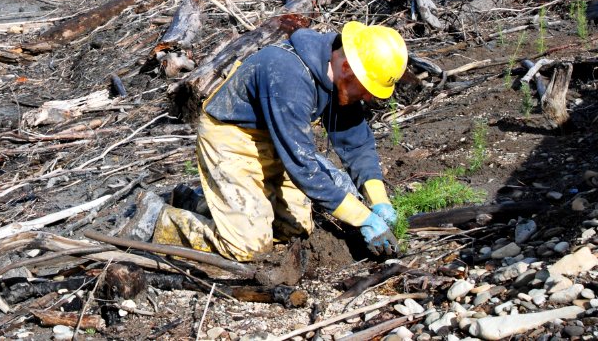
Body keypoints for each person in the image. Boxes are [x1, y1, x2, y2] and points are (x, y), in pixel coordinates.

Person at [126, 21, 407, 261]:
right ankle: (159, 219)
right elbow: (302, 165)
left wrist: (379, 201)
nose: (369, 97)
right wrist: (362, 218)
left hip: (275, 142)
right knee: (249, 246)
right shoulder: (289, 75)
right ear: (347, 67)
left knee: (295, 230)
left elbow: (356, 143)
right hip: (232, 140)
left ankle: (202, 204)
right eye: (368, 89)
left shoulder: (339, 77)